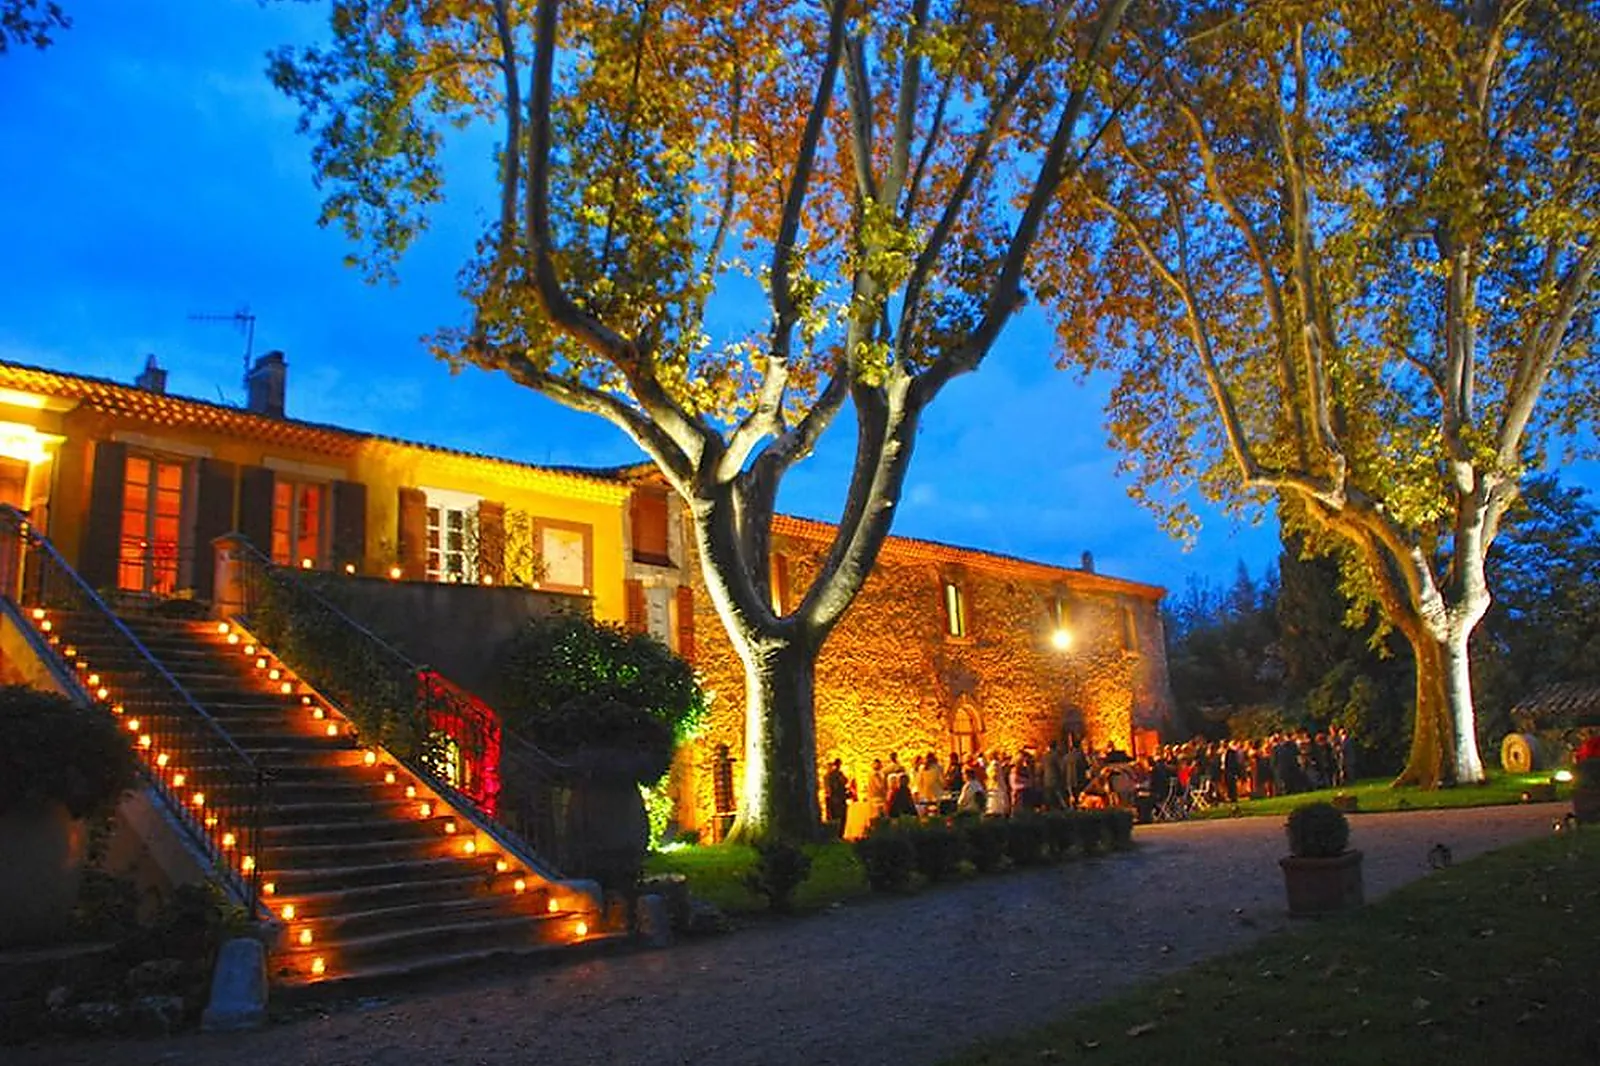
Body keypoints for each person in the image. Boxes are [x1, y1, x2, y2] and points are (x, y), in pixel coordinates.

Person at [823, 758, 849, 838]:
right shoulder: (831, 775)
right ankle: (837, 834)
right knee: (836, 817)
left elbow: (845, 781)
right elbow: (831, 787)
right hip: (836, 798)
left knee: (841, 817)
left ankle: (840, 834)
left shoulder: (839, 774)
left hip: (840, 798)